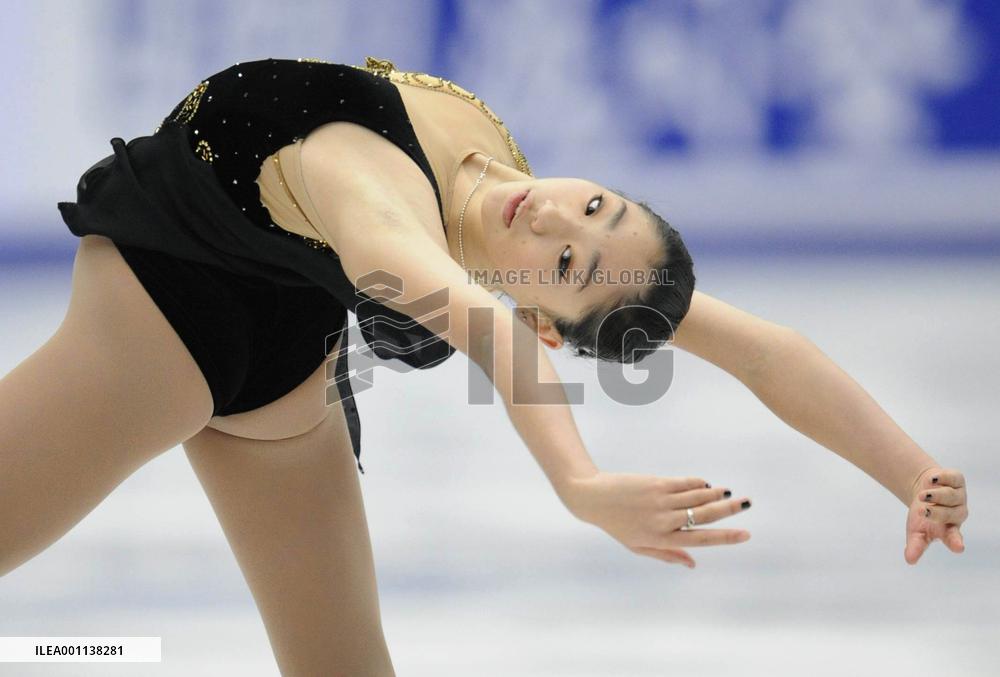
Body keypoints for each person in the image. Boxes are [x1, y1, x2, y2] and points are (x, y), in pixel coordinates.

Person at [0, 56, 968, 676]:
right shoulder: (503, 192)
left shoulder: (396, 231)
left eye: (561, 267)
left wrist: (578, 480)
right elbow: (764, 346)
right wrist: (910, 470)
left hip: (178, 335)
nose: (550, 217)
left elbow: (488, 333)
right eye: (597, 209)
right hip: (266, 342)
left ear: (543, 316)